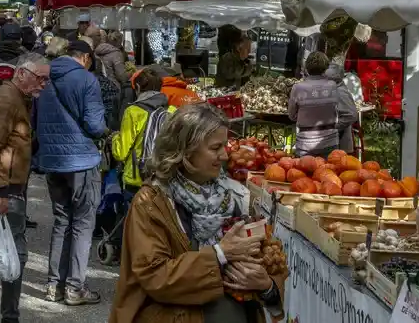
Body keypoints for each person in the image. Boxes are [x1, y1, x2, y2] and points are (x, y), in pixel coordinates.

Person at [109, 103, 284, 323]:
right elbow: (154, 276)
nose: (224, 155)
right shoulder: (152, 202)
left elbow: (272, 262)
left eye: (225, 145)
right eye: (215, 147)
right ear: (185, 151)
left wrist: (267, 287)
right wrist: (220, 253)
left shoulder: (239, 196)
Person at [0, 54, 51, 323]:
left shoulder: (17, 98)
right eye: (40, 78)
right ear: (21, 74)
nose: (44, 84)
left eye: (46, 79)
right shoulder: (6, 100)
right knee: (10, 253)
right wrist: (1, 191)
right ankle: (6, 316)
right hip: (2, 189)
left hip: (5, 186)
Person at [33, 38, 106, 305]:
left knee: (62, 221)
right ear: (86, 58)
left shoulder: (45, 78)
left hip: (52, 159)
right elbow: (96, 125)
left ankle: (54, 285)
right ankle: (75, 287)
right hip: (81, 160)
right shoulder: (87, 80)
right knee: (83, 224)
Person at [112, 69, 175, 201]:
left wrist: (115, 137)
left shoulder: (133, 112)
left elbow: (120, 153)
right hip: (163, 179)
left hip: (136, 180)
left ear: (138, 87)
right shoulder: (171, 111)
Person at [289, 52, 358, 157]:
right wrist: (332, 127)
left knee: (304, 171)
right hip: (330, 143)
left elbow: (292, 116)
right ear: (325, 68)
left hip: (305, 144)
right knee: (328, 171)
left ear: (306, 68)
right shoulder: (334, 86)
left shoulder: (297, 88)